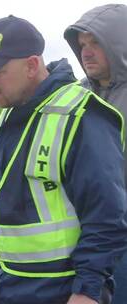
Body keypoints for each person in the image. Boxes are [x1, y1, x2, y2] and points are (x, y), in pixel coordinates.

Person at [0, 15, 127, 304]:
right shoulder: (12, 112)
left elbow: (108, 217)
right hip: (12, 281)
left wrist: (87, 291)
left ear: (32, 65)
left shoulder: (82, 117)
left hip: (60, 289)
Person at [64, 4, 127, 304]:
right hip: (86, 227)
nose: (86, 52)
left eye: (96, 43)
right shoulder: (77, 95)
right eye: (83, 44)